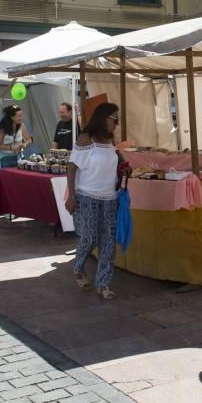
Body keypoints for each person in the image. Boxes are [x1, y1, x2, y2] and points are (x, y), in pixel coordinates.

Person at [65, 103, 124, 300]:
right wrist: (71, 196)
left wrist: (124, 169)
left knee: (108, 243)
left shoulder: (110, 141)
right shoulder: (85, 139)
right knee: (89, 238)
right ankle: (78, 267)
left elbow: (115, 163)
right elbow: (71, 168)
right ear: (104, 118)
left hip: (110, 199)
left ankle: (104, 284)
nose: (117, 123)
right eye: (114, 119)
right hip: (87, 197)